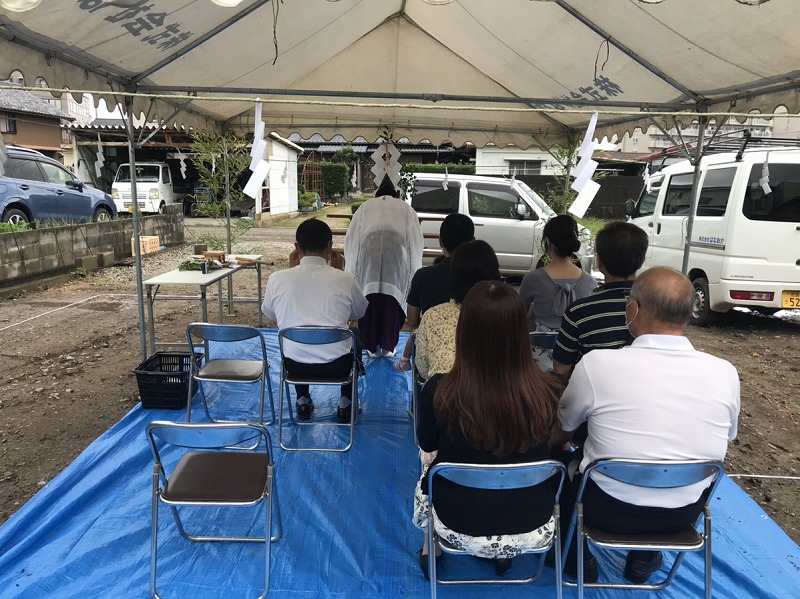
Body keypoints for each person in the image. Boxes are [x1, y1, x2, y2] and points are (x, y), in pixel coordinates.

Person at [550, 267, 740, 583]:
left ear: (634, 309)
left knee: (561, 465)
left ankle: (576, 559)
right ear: (688, 314)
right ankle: (644, 557)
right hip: (683, 514)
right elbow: (727, 438)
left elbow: (563, 427)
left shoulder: (597, 364)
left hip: (605, 509)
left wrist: (552, 450)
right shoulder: (725, 373)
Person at [412, 281, 563, 579]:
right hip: (531, 520)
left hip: (456, 519)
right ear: (520, 333)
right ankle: (502, 555)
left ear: (464, 332)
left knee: (428, 465)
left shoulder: (439, 391)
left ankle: (433, 549)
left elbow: (427, 443)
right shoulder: (547, 390)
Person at [262, 218, 368, 423]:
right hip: (338, 365)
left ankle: (302, 401)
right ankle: (346, 403)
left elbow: (272, 315)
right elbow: (360, 312)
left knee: (293, 334)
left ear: (296, 248)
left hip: (294, 365)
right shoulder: (346, 279)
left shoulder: (277, 278)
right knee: (354, 333)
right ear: (330, 247)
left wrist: (290, 271)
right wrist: (340, 272)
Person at [551, 221, 648, 384]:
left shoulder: (578, 312)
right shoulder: (656, 308)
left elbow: (561, 369)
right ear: (642, 260)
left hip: (593, 390)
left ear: (599, 261)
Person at [344, 176, 424, 358]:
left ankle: (371, 347)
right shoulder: (406, 208)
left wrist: (352, 269)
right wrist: (413, 268)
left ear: (377, 193)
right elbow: (415, 240)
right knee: (391, 304)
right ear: (395, 194)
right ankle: (388, 347)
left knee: (369, 302)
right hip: (395, 263)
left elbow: (351, 239)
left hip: (368, 263)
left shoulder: (365, 207)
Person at [394, 213, 475, 371]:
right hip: (476, 358)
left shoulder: (423, 276)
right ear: (473, 241)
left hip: (432, 359)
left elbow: (412, 321)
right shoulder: (481, 277)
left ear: (440, 241)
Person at [519, 214, 597, 371]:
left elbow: (518, 316)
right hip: (578, 360)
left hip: (538, 360)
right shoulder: (590, 282)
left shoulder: (532, 279)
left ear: (547, 242)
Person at [414, 239, 500, 380]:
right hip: (502, 391)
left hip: (445, 391)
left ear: (453, 276)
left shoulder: (433, 315)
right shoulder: (508, 311)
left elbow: (423, 369)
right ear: (494, 275)